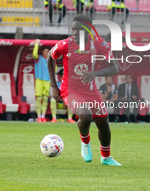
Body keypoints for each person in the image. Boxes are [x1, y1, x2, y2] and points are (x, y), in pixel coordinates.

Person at [47, 14, 122, 166]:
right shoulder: (65, 44)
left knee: (103, 122)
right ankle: (85, 143)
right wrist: (54, 86)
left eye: (78, 30)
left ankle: (106, 158)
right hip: (70, 89)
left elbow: (115, 67)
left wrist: (95, 73)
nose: (74, 33)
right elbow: (50, 57)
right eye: (73, 29)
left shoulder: (99, 43)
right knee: (86, 116)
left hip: (90, 89)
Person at [32, 39, 51, 122]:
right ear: (42, 52)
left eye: (48, 51)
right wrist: (36, 44)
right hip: (39, 80)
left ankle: (43, 116)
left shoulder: (51, 60)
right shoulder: (38, 58)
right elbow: (34, 54)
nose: (46, 53)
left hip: (47, 81)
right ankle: (39, 116)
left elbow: (55, 69)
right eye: (45, 51)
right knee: (39, 98)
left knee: (45, 99)